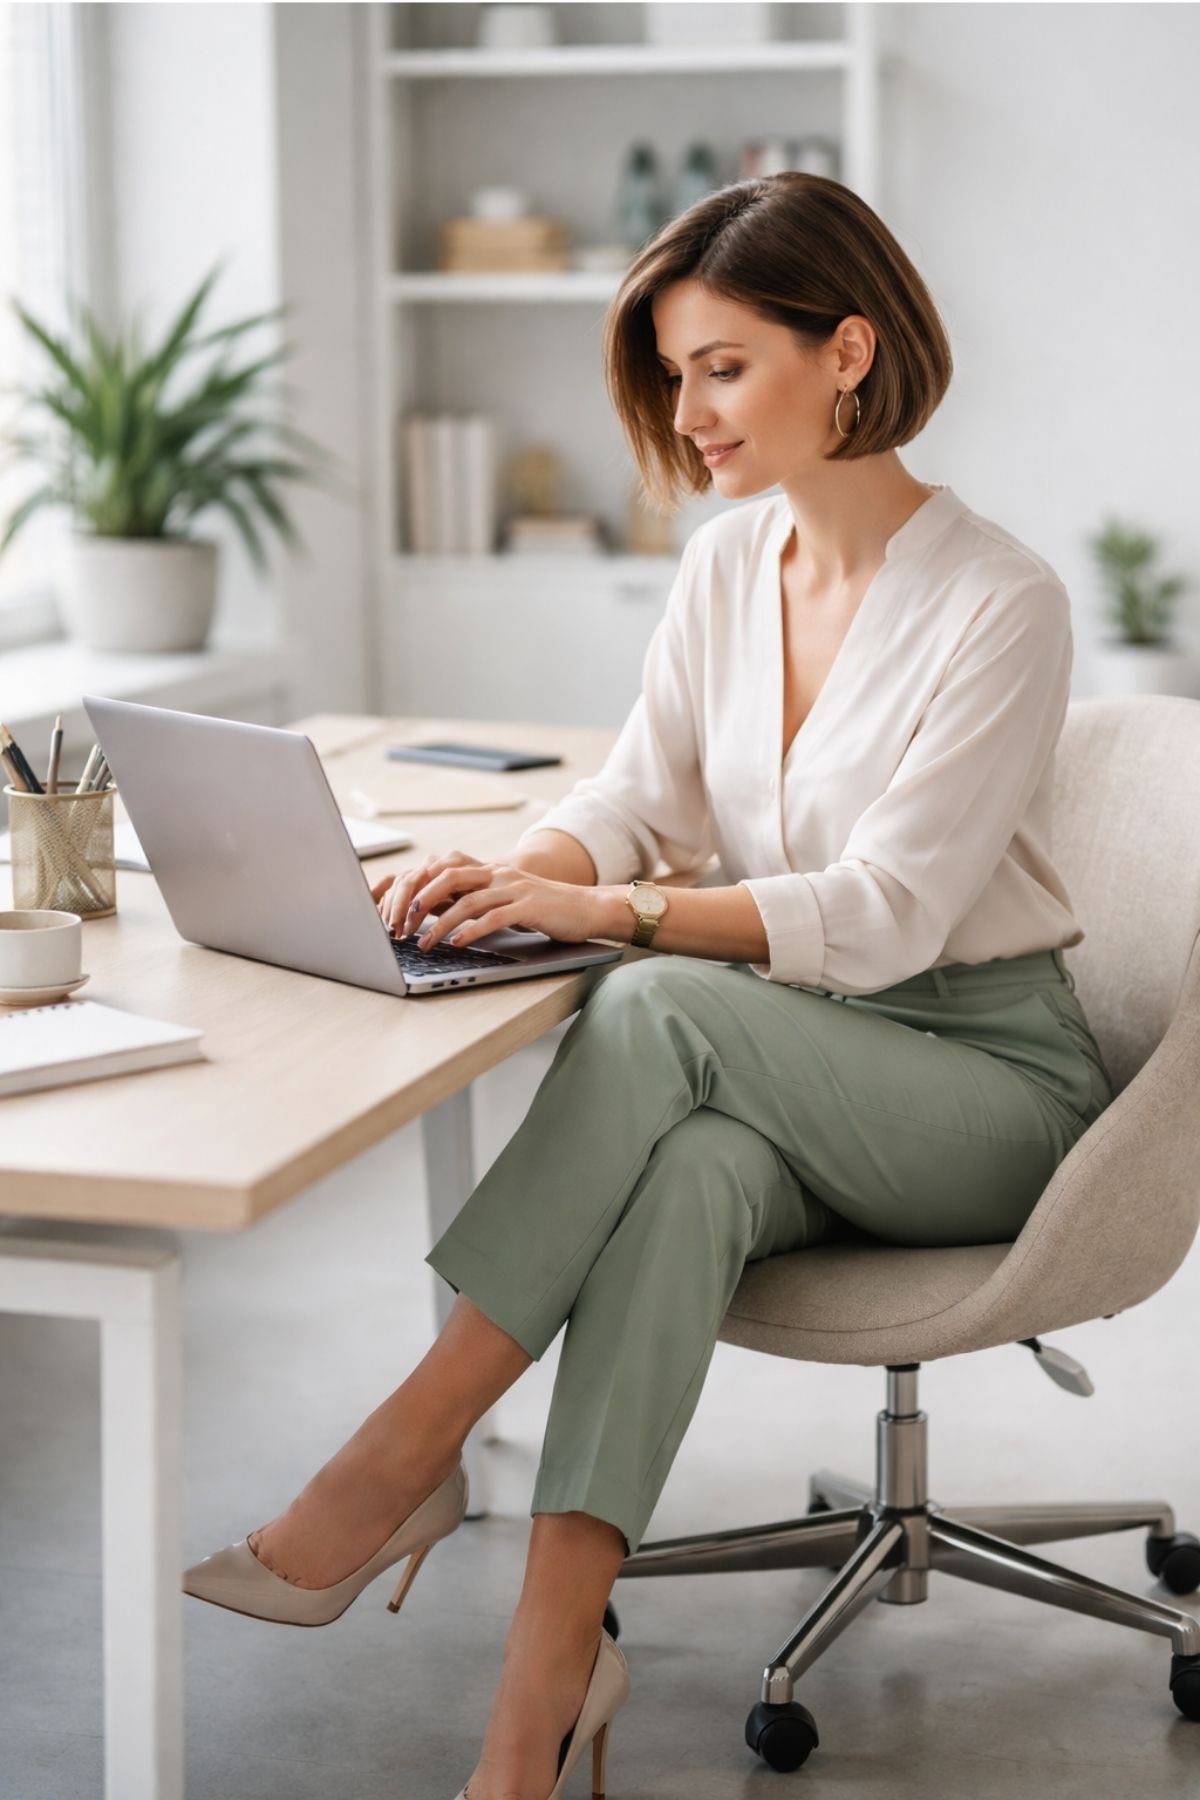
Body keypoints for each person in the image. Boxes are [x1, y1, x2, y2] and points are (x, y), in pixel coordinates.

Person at [182, 172, 1115, 1800]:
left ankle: (408, 1445)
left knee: (651, 999)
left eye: (724, 368)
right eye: (677, 375)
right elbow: (641, 796)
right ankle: (545, 1689)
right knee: (691, 1170)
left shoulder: (1000, 599)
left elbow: (888, 914)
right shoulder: (726, 569)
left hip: (984, 1088)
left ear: (848, 352)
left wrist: (606, 911)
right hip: (785, 1061)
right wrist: (515, 868)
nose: (688, 416)